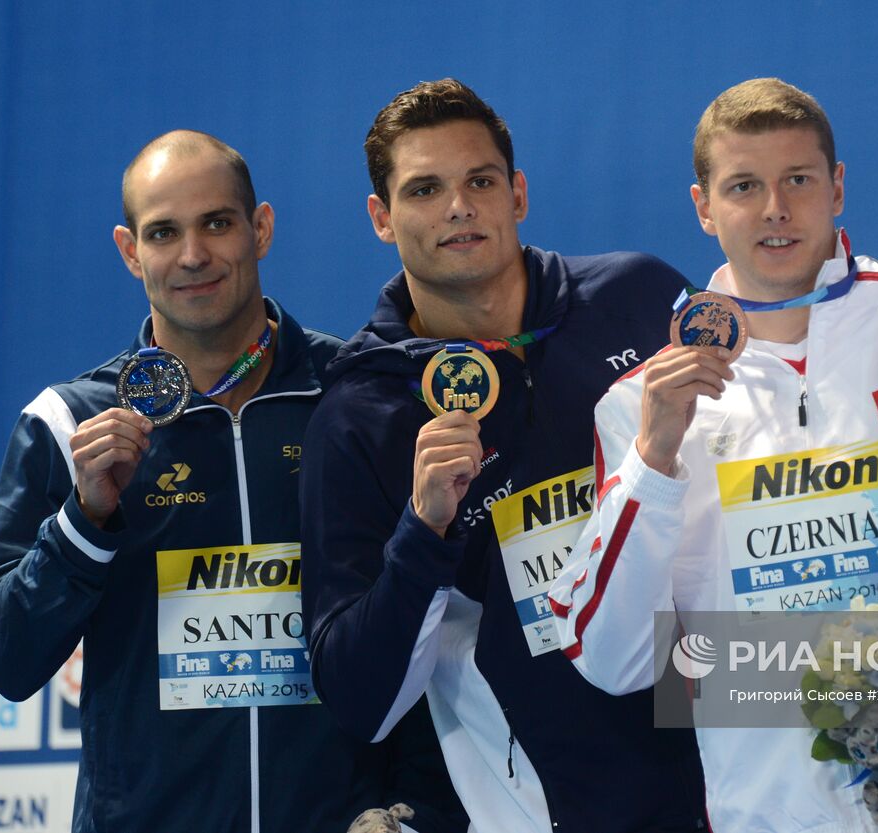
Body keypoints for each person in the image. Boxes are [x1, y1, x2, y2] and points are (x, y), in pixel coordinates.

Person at [549, 77, 878, 832]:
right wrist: (653, 461)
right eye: (743, 185)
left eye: (797, 180)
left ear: (836, 188)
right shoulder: (642, 406)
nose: (774, 208)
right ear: (703, 207)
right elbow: (615, 661)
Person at [0, 131, 462, 832]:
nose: (193, 255)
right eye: (164, 232)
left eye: (217, 223)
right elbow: (6, 660)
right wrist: (83, 522)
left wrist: (419, 813)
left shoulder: (356, 397)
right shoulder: (68, 420)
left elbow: (434, 629)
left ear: (260, 229)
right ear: (129, 249)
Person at [299, 78, 707, 832]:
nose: (459, 205)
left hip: (732, 778)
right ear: (381, 218)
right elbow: (360, 702)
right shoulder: (363, 414)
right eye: (424, 189)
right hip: (549, 808)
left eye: (480, 180)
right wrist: (423, 534)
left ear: (517, 192)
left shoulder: (639, 298)